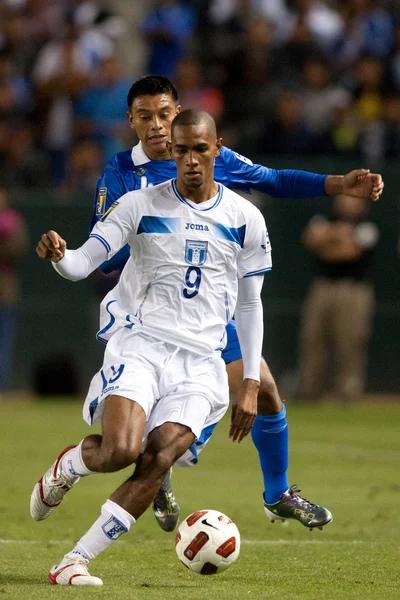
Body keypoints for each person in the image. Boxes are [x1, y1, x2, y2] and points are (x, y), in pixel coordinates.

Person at [89, 75, 384, 533]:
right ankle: (160, 464)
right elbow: (104, 253)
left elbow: (274, 179)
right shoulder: (123, 174)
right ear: (130, 121)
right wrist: (158, 236)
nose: (157, 126)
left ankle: (277, 494)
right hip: (154, 317)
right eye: (145, 117)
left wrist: (340, 183)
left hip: (211, 312)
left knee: (262, 387)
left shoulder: (208, 156)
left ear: (179, 113)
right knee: (170, 407)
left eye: (164, 114)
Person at [31, 109, 269, 586]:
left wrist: (249, 383)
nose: (191, 160)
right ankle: (71, 464)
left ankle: (73, 562)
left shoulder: (246, 218)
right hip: (142, 346)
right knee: (121, 449)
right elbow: (83, 263)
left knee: (158, 459)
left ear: (217, 148)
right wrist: (61, 256)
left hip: (201, 365)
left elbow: (250, 304)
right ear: (171, 152)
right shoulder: (140, 204)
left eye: (200, 149)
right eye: (181, 151)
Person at [298, 194, 379, 400]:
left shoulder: (368, 225)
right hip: (323, 286)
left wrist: (329, 238)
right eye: (344, 198)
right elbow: (312, 240)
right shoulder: (323, 218)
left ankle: (348, 394)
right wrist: (339, 235)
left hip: (353, 289)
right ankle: (310, 392)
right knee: (313, 338)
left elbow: (349, 252)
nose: (347, 203)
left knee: (349, 342)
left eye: (353, 199)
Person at [0, 186, 28, 395]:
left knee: (4, 342)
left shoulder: (11, 219)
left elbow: (18, 247)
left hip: (5, 290)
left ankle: (2, 388)